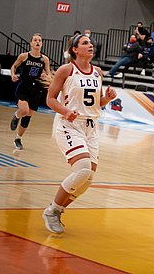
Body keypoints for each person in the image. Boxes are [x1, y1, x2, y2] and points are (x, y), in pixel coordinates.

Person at [43, 34, 117, 233]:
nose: (90, 45)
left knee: (88, 179)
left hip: (91, 128)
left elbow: (95, 103)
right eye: (85, 43)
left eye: (91, 43)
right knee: (83, 168)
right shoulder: (66, 70)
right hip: (70, 125)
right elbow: (50, 99)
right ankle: (52, 211)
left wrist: (107, 99)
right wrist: (66, 111)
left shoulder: (98, 72)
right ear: (75, 49)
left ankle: (56, 210)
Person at [9, 33, 52, 150]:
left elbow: (49, 74)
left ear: (42, 44)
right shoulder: (24, 56)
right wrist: (13, 75)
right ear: (31, 43)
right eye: (35, 40)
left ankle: (18, 138)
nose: (37, 42)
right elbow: (14, 66)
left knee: (28, 116)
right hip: (24, 87)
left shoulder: (45, 59)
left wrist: (46, 76)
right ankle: (17, 115)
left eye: (39, 40)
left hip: (36, 90)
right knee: (24, 110)